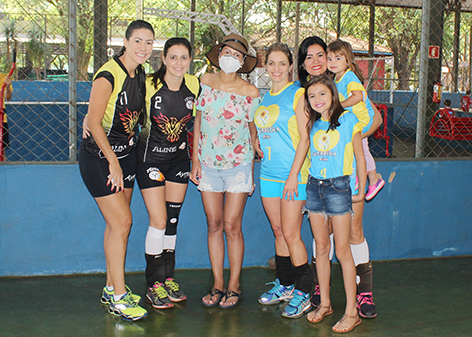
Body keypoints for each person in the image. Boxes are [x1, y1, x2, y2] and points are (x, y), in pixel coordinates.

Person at [297, 36, 381, 319]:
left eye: (322, 55)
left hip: (343, 177)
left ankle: (363, 291)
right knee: (322, 239)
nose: (317, 61)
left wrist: (348, 137)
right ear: (303, 63)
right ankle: (322, 292)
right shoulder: (304, 96)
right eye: (309, 57)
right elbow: (304, 138)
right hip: (315, 178)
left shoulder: (344, 89)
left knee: (352, 232)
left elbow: (376, 120)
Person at [79, 20, 154, 321]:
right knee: (123, 222)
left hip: (125, 157)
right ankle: (120, 299)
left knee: (116, 226)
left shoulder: (140, 74)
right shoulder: (108, 74)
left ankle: (111, 287)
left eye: (149, 42)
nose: (143, 48)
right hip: (100, 159)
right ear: (125, 41)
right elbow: (94, 122)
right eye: (138, 41)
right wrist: (111, 160)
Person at [189, 33, 260, 309]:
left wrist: (253, 161)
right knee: (214, 224)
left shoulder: (251, 93)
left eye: (236, 54)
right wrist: (195, 160)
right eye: (226, 52)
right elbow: (197, 123)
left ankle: (234, 284)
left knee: (232, 226)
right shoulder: (204, 82)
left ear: (243, 62)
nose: (230, 57)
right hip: (207, 164)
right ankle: (218, 283)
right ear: (218, 55)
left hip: (239, 166)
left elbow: (253, 132)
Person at [136, 37, 200, 309]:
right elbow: (122, 108)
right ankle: (154, 284)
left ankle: (168, 279)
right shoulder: (149, 84)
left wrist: (195, 159)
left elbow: (199, 123)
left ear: (190, 61)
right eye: (173, 57)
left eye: (183, 57)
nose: (178, 62)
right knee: (159, 221)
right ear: (163, 59)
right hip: (150, 159)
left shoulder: (195, 85)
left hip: (179, 162)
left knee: (172, 221)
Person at [303, 74, 366, 333]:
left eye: (322, 94)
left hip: (339, 188)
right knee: (320, 247)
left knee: (342, 251)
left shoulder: (349, 120)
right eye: (311, 96)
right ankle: (326, 303)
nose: (317, 100)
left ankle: (352, 311)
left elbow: (360, 158)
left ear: (333, 95)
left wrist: (362, 188)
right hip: (314, 187)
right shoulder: (312, 124)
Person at [254, 43, 313, 318]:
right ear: (265, 66)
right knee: (278, 232)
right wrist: (256, 140)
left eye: (281, 63)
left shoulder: (298, 94)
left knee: (291, 234)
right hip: (268, 174)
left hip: (294, 177)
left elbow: (305, 138)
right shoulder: (265, 98)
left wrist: (293, 177)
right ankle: (285, 285)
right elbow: (264, 129)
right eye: (271, 63)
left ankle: (304, 293)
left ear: (291, 66)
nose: (276, 69)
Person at [326, 39, 384, 201]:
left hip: (362, 121)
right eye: (330, 59)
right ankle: (358, 178)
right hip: (353, 122)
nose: (333, 62)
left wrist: (338, 105)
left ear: (347, 60)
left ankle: (373, 180)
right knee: (353, 149)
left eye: (338, 58)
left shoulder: (349, 76)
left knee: (362, 150)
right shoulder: (337, 80)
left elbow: (358, 96)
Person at [0, 73, 13, 158]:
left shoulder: (4, 77)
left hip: (1, 119)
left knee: (1, 149)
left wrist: (7, 87)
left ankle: (3, 170)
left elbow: (8, 97)